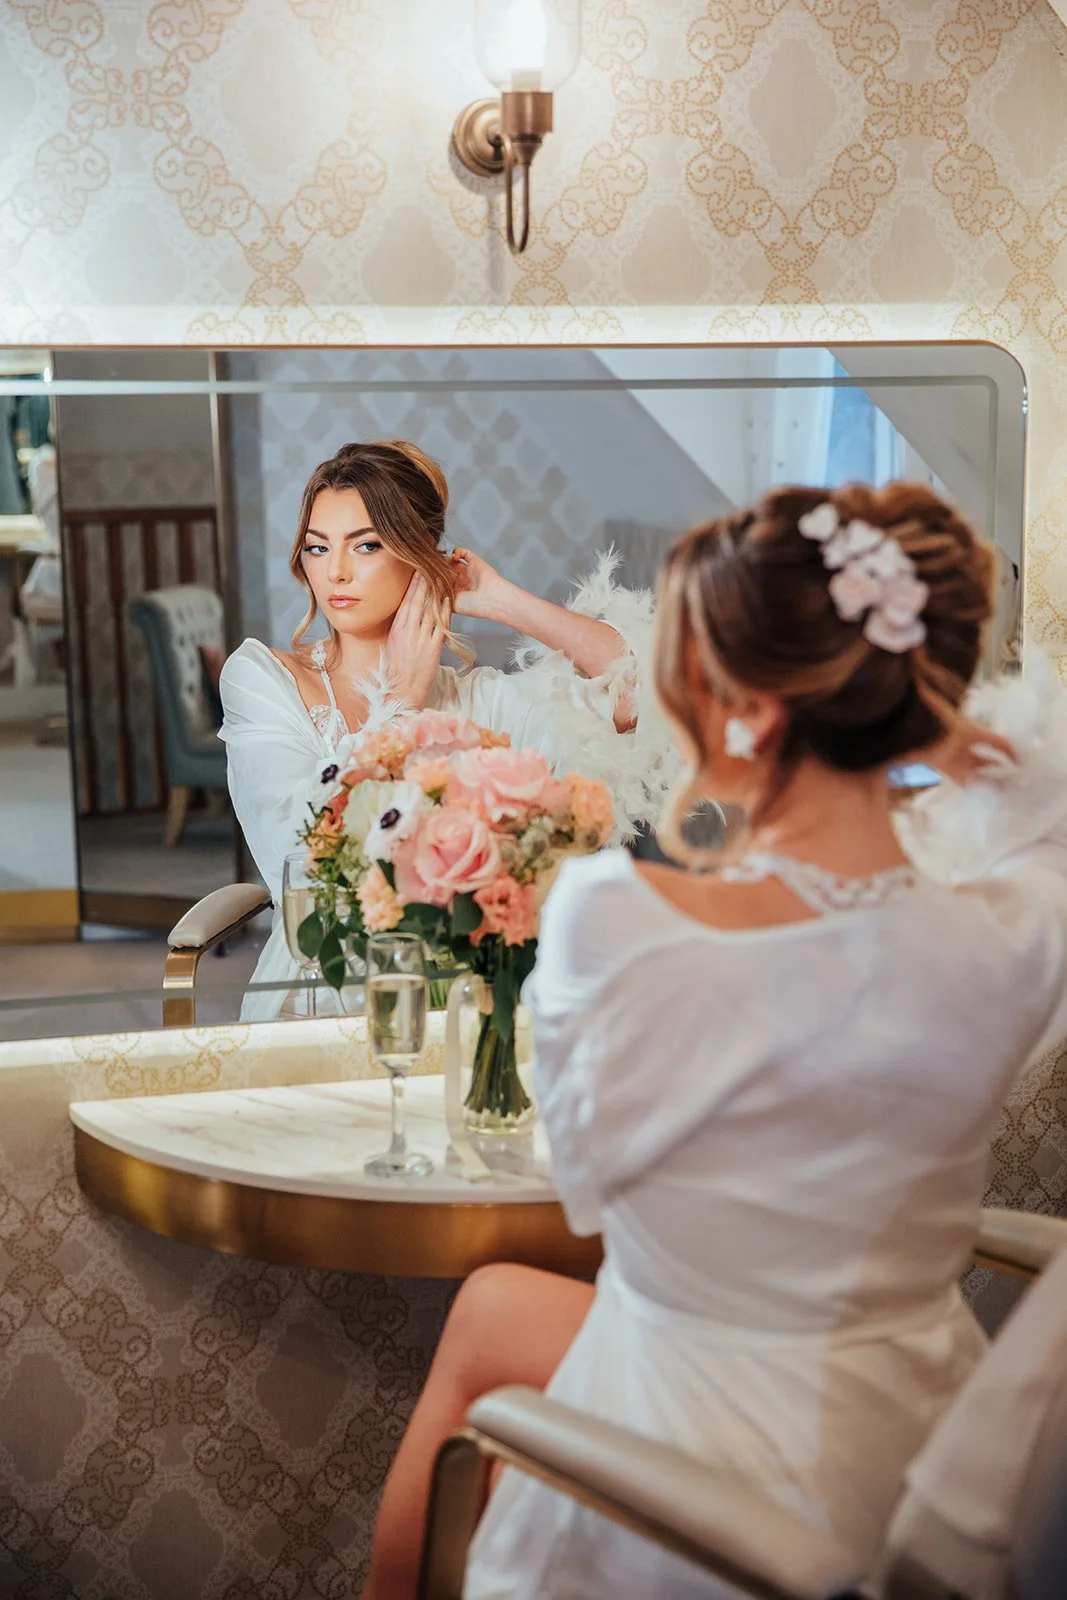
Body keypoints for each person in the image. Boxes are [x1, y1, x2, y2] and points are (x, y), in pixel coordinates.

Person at [362, 481, 1067, 1599]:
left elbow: (587, 1190)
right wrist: (946, 735)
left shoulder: (616, 919)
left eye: (674, 667)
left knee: (496, 1313)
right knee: (497, 1304)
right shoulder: (1010, 937)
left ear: (741, 711)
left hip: (696, 1444)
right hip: (924, 1426)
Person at [219, 439, 673, 1020]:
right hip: (317, 992)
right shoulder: (262, 679)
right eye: (316, 546)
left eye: (366, 545)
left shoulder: (479, 703)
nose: (334, 571)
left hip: (459, 995)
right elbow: (298, 849)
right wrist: (400, 702)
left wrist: (501, 599)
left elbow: (640, 694)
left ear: (415, 556)